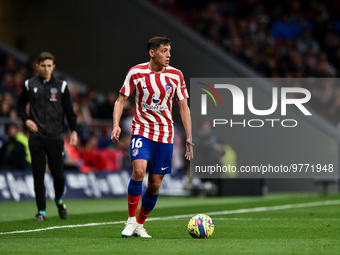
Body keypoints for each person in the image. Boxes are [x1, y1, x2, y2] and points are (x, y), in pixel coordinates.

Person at [111, 36, 193, 238]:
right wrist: (115, 126)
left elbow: (184, 107)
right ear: (152, 52)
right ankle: (130, 220)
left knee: (155, 183)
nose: (168, 55)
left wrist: (189, 136)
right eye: (164, 50)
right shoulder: (136, 72)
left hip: (165, 135)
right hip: (142, 130)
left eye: (169, 51)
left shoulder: (176, 75)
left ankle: (140, 224)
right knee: (139, 171)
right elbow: (120, 101)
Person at [17, 52, 78, 221]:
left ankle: (59, 199)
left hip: (56, 137)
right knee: (38, 173)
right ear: (37, 67)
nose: (46, 69)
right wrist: (26, 120)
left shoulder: (61, 86)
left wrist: (73, 131)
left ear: (53, 67)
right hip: (36, 136)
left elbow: (70, 112)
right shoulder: (30, 84)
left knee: (58, 175)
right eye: (43, 65)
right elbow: (20, 105)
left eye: (49, 65)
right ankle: (41, 211)